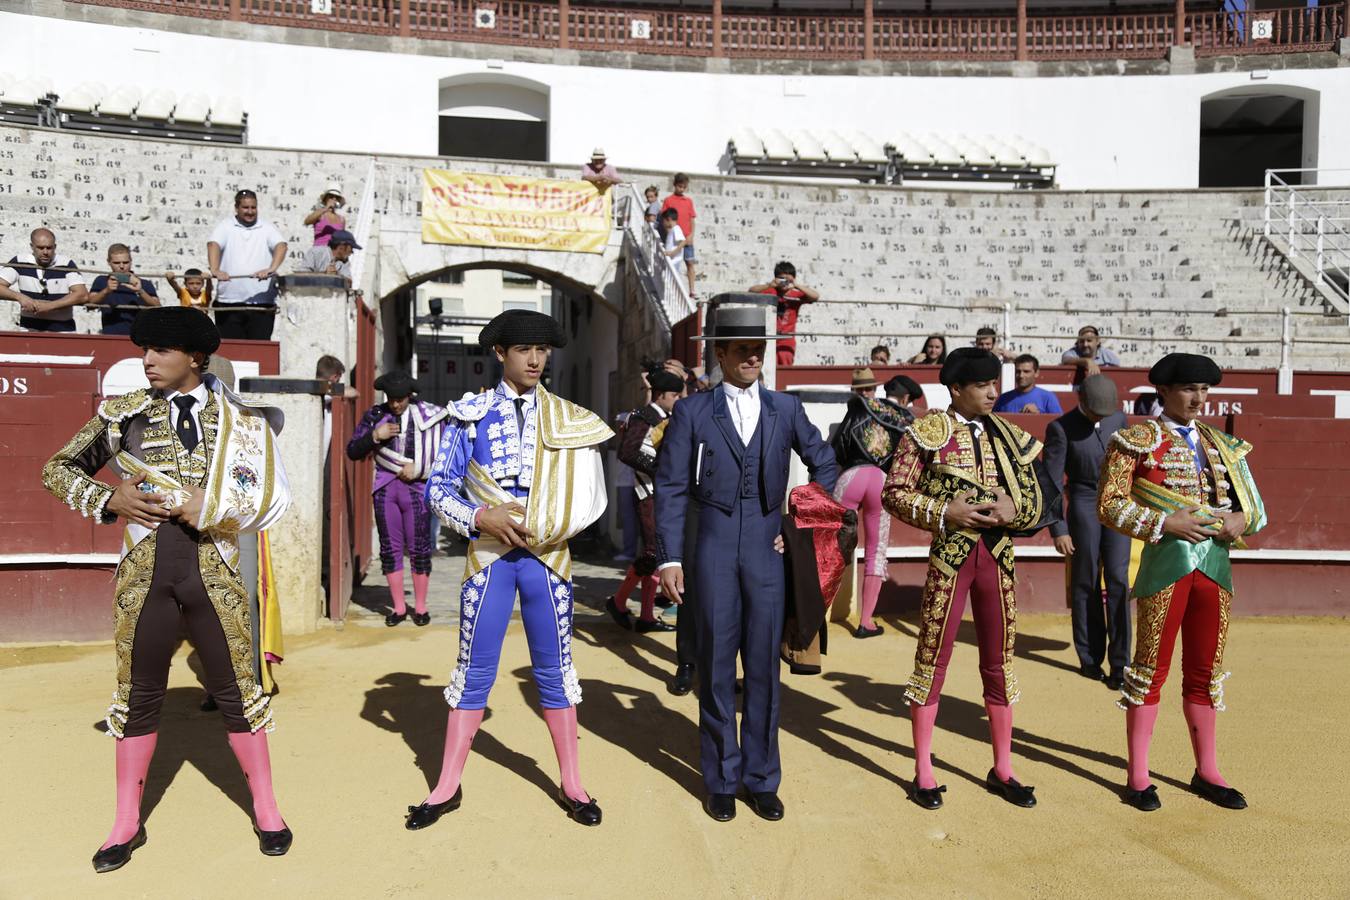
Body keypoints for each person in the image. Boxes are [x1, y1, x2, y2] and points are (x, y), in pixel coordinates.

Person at [40, 306, 293, 871]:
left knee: (238, 692)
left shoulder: (242, 422)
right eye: (144, 351)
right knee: (138, 695)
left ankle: (268, 808)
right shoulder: (121, 415)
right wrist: (109, 500)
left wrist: (218, 503)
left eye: (159, 351)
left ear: (195, 358)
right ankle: (126, 821)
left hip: (215, 575)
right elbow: (57, 469)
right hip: (144, 577)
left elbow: (277, 497)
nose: (147, 361)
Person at [414, 309, 612, 830]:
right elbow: (438, 489)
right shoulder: (469, 415)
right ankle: (447, 784)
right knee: (474, 668)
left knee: (556, 670)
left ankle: (571, 781)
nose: (536, 359)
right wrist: (481, 515)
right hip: (490, 554)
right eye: (524, 349)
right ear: (500, 353)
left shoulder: (568, 416)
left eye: (543, 349)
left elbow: (584, 491)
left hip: (549, 555)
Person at [655, 306, 838, 824]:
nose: (752, 356)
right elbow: (669, 489)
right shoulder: (692, 412)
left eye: (758, 348)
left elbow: (824, 464)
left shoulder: (785, 407)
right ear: (720, 355)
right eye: (741, 349)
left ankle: (760, 779)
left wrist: (800, 522)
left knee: (763, 670)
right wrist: (669, 557)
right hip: (710, 549)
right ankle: (720, 778)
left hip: (766, 549)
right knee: (714, 669)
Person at [881, 348, 1048, 811]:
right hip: (951, 557)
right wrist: (944, 511)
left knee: (999, 661)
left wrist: (1016, 511)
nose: (994, 392)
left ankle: (1004, 767)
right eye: (982, 385)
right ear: (956, 390)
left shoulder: (1010, 436)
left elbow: (1037, 499)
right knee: (932, 658)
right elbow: (894, 492)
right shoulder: (927, 432)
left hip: (998, 557)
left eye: (995, 383)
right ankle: (924, 770)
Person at [1097, 353, 1265, 813]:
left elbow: (1257, 510)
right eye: (1190, 389)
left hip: (1216, 570)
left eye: (1205, 390)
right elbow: (1109, 505)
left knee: (1206, 673)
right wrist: (1162, 524)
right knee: (1149, 669)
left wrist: (1240, 518)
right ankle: (1137, 776)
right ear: (1165, 392)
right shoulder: (1135, 440)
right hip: (1164, 568)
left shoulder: (1225, 445)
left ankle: (1207, 771)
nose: (1198, 398)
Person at [1043, 375, 1130, 690]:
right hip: (1082, 503)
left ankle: (1121, 663)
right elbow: (1052, 482)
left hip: (1117, 502)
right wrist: (1058, 528)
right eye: (1096, 412)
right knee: (1086, 580)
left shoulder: (1119, 419)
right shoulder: (1061, 428)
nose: (1101, 418)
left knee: (1119, 580)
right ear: (1081, 402)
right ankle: (1090, 658)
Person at [346, 371, 447, 627]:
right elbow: (353, 450)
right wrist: (374, 436)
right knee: (390, 549)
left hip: (416, 487)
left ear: (409, 396)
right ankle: (399, 608)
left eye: (400, 399)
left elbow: (447, 453)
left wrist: (421, 469)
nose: (396, 404)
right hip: (386, 489)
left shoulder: (430, 416)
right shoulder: (376, 417)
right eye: (392, 399)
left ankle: (421, 608)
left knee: (420, 548)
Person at [829, 367, 910, 638]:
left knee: (832, 545)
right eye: (865, 389)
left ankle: (818, 615)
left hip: (851, 477)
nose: (865, 393)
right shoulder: (892, 416)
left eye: (865, 389)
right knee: (876, 551)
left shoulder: (851, 413)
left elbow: (838, 448)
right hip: (880, 481)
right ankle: (865, 622)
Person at [607, 368, 685, 633]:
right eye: (675, 395)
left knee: (655, 552)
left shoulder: (664, 416)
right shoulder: (645, 416)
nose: (678, 399)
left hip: (658, 492)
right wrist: (660, 469)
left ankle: (643, 613)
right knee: (653, 551)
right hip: (647, 492)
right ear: (661, 394)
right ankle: (623, 603)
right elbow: (627, 452)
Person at [208, 190, 287, 341]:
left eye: (253, 207)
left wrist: (272, 269)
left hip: (261, 304)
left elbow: (281, 246)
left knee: (258, 351)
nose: (250, 212)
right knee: (230, 350)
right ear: (236, 208)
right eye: (246, 207)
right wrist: (215, 269)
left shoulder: (267, 227)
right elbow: (213, 244)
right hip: (229, 302)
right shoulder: (225, 226)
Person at [0, 227, 88, 332]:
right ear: (32, 247)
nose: (45, 252)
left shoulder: (66, 263)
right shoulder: (20, 261)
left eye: (49, 248)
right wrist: (20, 297)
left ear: (55, 247)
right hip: (29, 329)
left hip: (62, 330)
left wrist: (49, 306)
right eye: (40, 248)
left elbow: (82, 295)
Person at [749, 261, 820, 368]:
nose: (785, 282)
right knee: (766, 367)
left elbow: (815, 296)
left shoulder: (796, 295)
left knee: (784, 368)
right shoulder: (770, 291)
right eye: (782, 279)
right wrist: (769, 285)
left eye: (788, 280)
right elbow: (751, 292)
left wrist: (797, 285)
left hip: (786, 340)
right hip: (769, 337)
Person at [86, 244, 161, 335]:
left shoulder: (144, 283)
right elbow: (90, 305)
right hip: (111, 337)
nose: (121, 266)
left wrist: (140, 291)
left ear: (131, 261)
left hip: (140, 338)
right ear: (108, 262)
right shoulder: (102, 281)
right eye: (116, 263)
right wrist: (106, 291)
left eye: (125, 262)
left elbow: (158, 307)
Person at [662, 174, 697, 295]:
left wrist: (691, 235)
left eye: (684, 187)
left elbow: (692, 219)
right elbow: (665, 218)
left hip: (687, 238)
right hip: (675, 239)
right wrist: (669, 234)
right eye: (679, 186)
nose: (681, 189)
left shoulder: (688, 201)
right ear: (674, 185)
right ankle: (672, 289)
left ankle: (692, 289)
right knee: (673, 264)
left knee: (690, 263)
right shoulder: (668, 200)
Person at [993, 355, 1063, 415]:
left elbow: (1059, 425)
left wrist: (1039, 415)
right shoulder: (1003, 399)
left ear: (1036, 373)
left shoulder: (1048, 398)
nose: (1021, 375)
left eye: (1026, 371)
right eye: (1018, 371)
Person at [295, 229, 360, 285]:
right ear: (341, 247)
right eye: (351, 248)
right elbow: (301, 277)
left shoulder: (345, 261)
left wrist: (337, 276)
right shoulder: (315, 252)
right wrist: (323, 274)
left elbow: (349, 283)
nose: (352, 252)